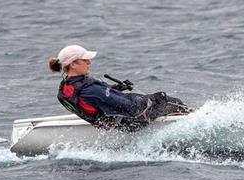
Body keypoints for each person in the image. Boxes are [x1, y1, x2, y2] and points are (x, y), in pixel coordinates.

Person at [48, 44, 189, 131]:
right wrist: (150, 100)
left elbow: (100, 97)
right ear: (73, 64)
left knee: (156, 99)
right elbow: (131, 108)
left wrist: (117, 88)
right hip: (133, 121)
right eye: (85, 60)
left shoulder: (67, 86)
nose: (89, 62)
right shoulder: (90, 90)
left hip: (115, 122)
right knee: (166, 99)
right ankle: (195, 122)